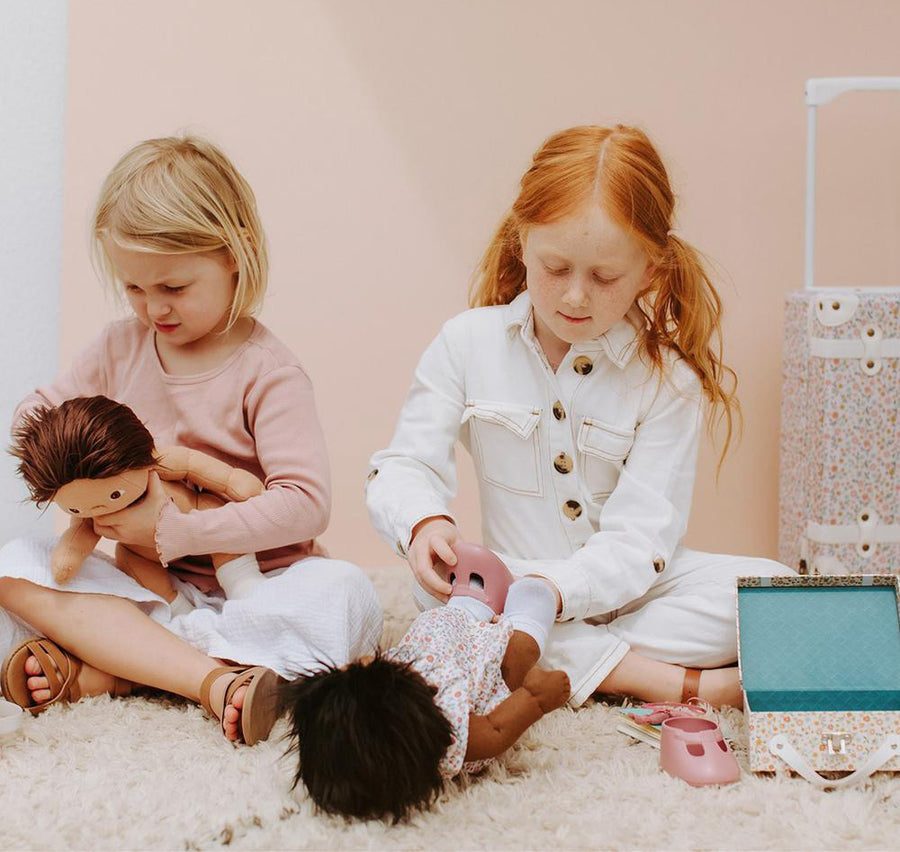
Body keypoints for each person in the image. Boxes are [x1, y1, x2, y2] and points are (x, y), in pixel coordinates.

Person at [365, 124, 794, 712]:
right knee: (433, 590)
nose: (573, 297)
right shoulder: (467, 343)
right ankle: (667, 682)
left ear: (649, 271)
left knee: (780, 595)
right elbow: (403, 464)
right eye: (556, 267)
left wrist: (557, 595)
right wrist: (423, 524)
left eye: (604, 278)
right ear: (522, 242)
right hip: (511, 584)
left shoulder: (668, 381)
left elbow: (643, 539)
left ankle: (547, 650)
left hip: (635, 593)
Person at [0, 135, 382, 744]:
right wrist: (48, 439)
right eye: (134, 288)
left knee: (349, 596)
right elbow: (40, 409)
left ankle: (124, 670)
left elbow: (305, 502)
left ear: (235, 255)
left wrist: (190, 533)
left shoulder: (269, 372)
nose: (152, 308)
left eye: (173, 288)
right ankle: (212, 675)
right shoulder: (117, 348)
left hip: (261, 587)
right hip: (155, 586)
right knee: (15, 569)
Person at [282, 572, 569, 822]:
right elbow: (496, 729)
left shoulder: (383, 701)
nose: (361, 662)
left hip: (446, 637)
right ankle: (528, 616)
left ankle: (470, 604)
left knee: (455, 609)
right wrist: (536, 698)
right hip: (486, 669)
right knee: (519, 648)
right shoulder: (448, 733)